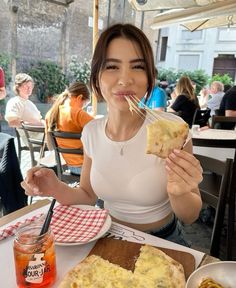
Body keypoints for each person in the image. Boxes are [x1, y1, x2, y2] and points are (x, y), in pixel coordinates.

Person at [22, 23, 202, 247]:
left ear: (149, 77)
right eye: (112, 67)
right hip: (106, 238)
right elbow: (87, 195)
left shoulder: (174, 130)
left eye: (137, 67)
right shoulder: (91, 133)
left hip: (163, 241)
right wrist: (54, 187)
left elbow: (190, 216)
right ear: (96, 77)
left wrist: (180, 192)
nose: (125, 79)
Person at [45, 81, 94, 175]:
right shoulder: (77, 114)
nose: (82, 108)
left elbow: (51, 146)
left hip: (71, 167)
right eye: (84, 105)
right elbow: (103, 130)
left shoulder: (50, 114)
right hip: (88, 169)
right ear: (79, 98)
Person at [5, 73, 44, 144]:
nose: (29, 88)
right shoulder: (14, 102)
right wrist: (35, 124)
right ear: (18, 87)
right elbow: (12, 122)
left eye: (31, 86)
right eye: (26, 86)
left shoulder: (30, 103)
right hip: (30, 138)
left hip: (40, 134)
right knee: (58, 139)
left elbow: (40, 121)